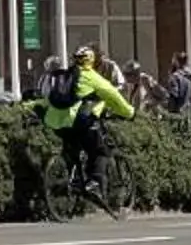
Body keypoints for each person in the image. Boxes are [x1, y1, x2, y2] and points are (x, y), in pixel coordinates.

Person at [31, 43, 136, 199]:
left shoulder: (66, 76)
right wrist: (130, 113)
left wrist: (30, 106)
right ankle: (94, 183)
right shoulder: (92, 77)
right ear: (91, 61)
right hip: (81, 121)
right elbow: (113, 96)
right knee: (101, 151)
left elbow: (49, 99)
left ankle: (72, 180)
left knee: (73, 152)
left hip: (58, 123)